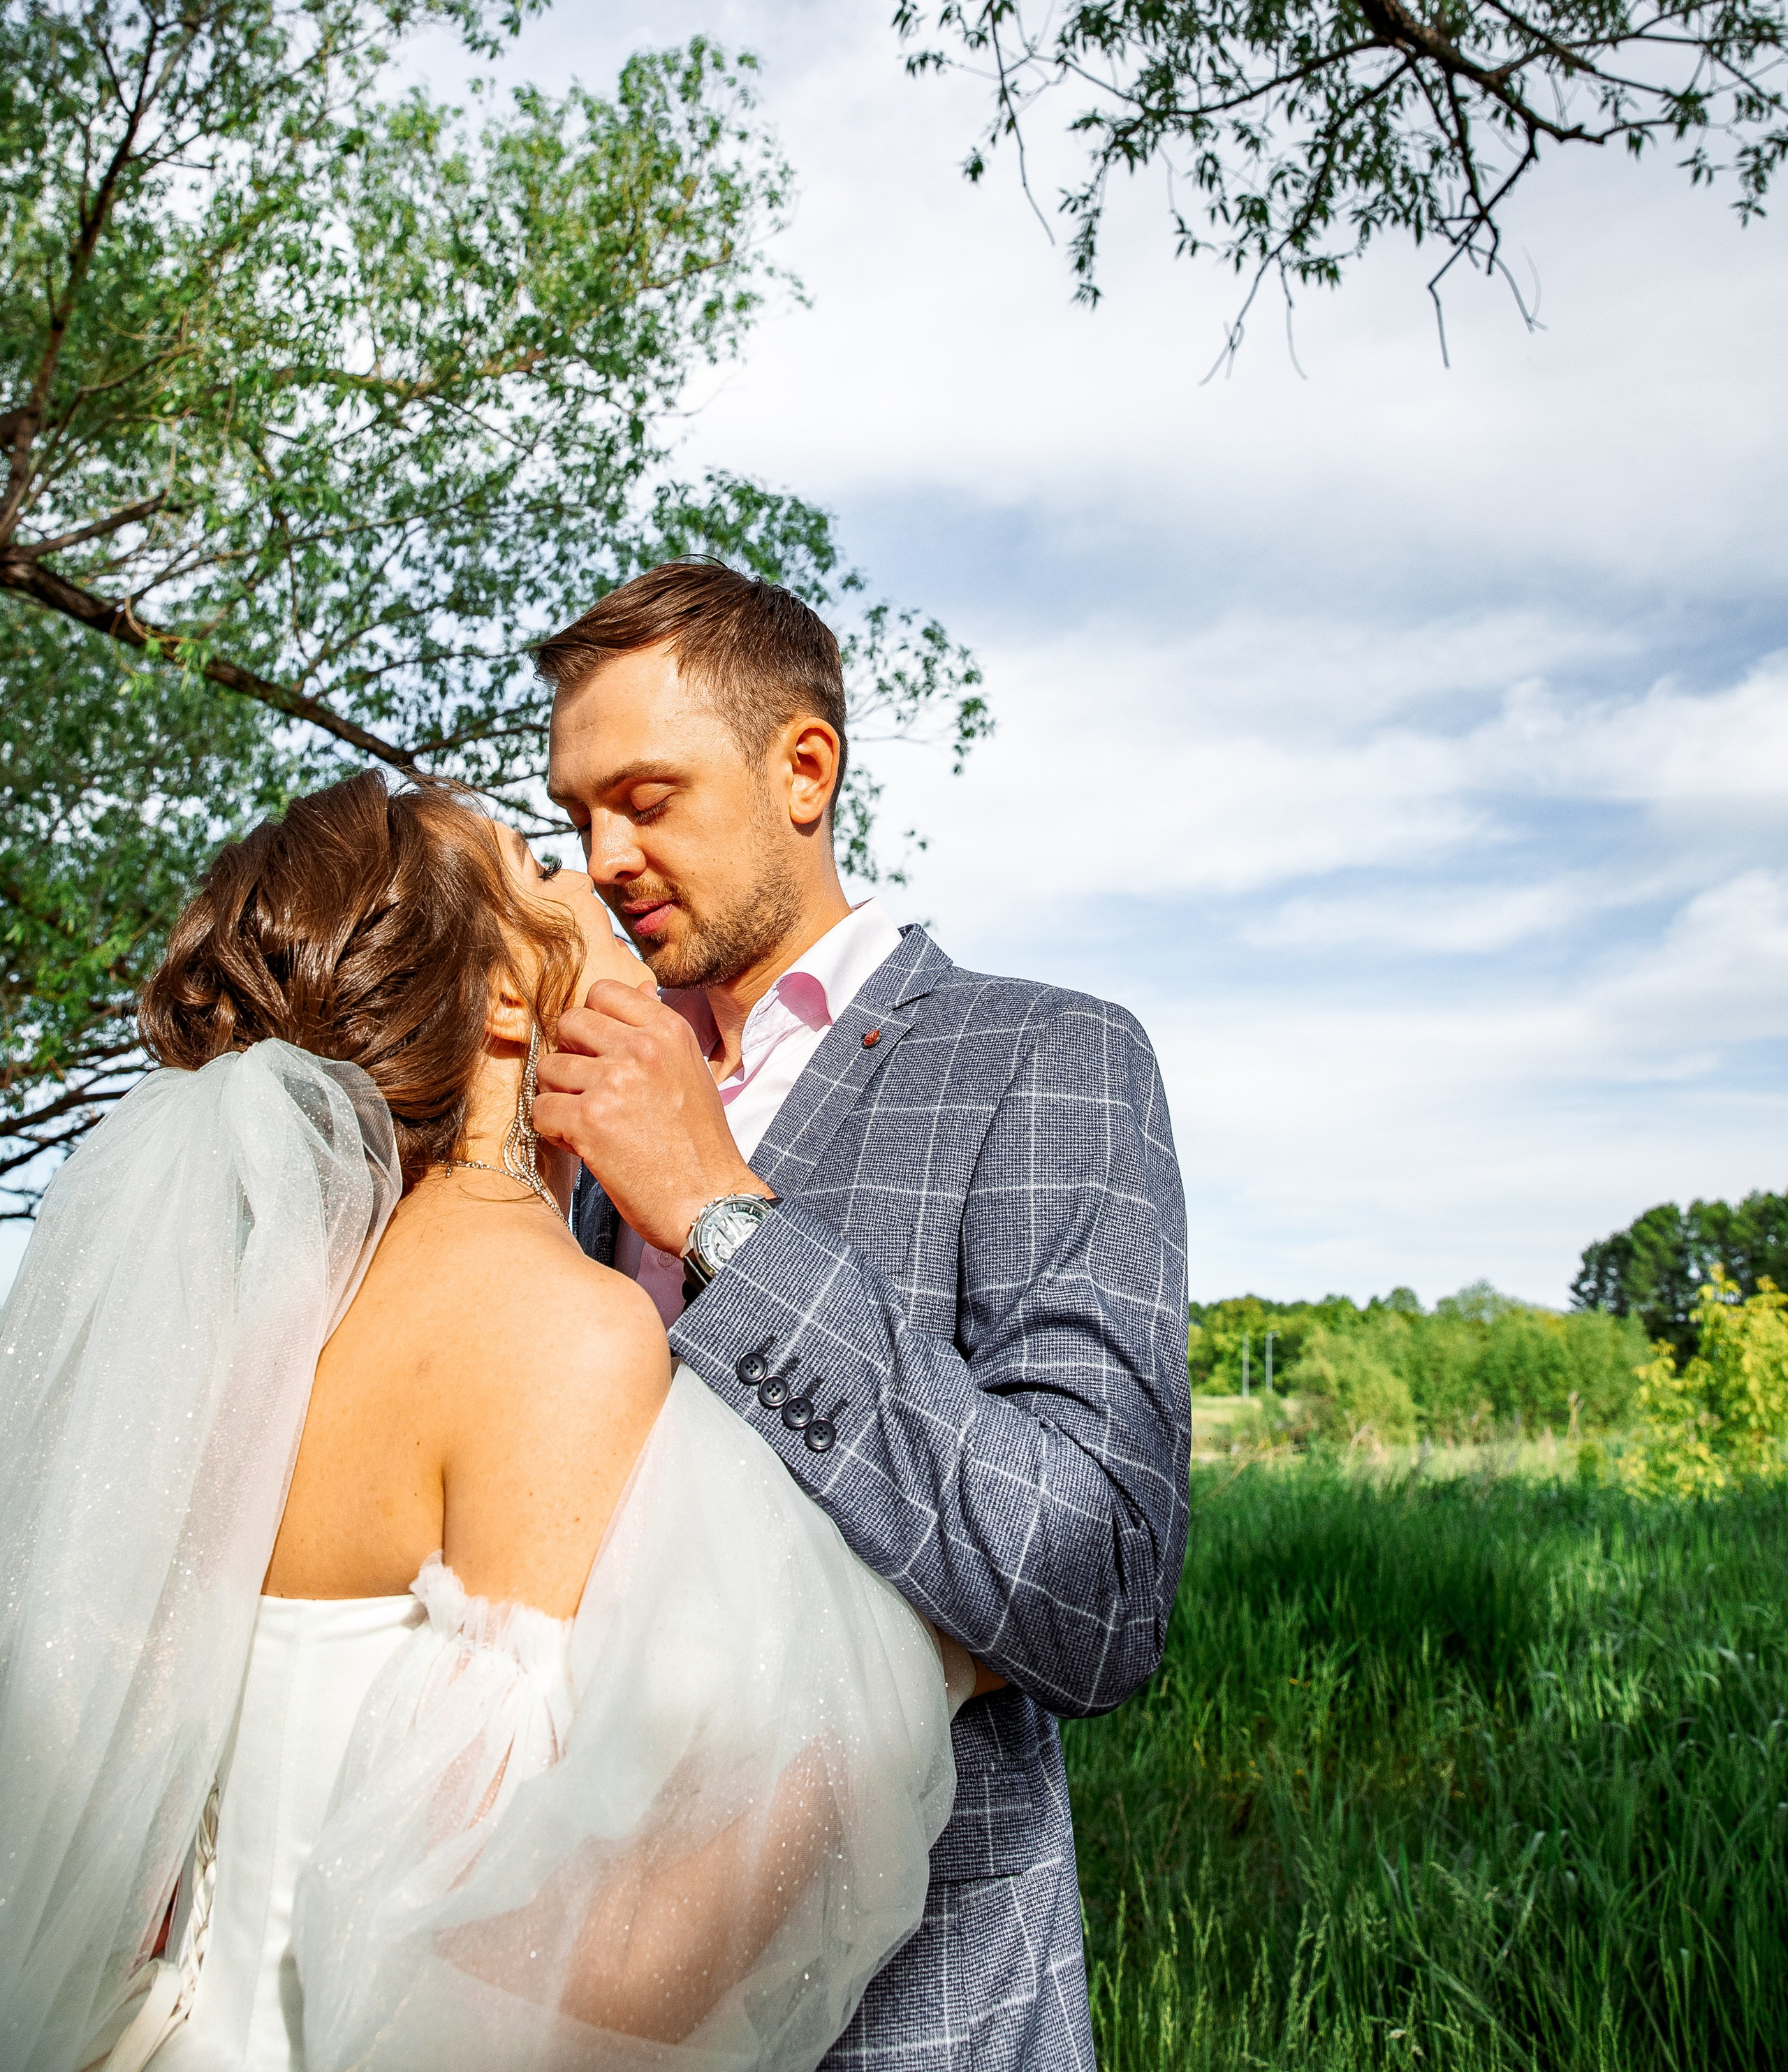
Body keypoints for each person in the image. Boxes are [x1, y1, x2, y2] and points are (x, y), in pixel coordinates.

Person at [0, 774, 966, 2072]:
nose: (593, 879)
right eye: (536, 866)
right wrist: (900, 1675)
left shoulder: (265, 1323)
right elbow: (517, 1968)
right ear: (511, 995)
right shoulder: (555, 1328)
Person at [530, 562, 1192, 2072]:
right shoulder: (576, 1099)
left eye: (645, 796)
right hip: (575, 1994)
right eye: (575, 815)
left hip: (909, 2023)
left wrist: (719, 1216)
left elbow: (1096, 1596)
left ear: (803, 769)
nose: (603, 856)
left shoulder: (1051, 1056)